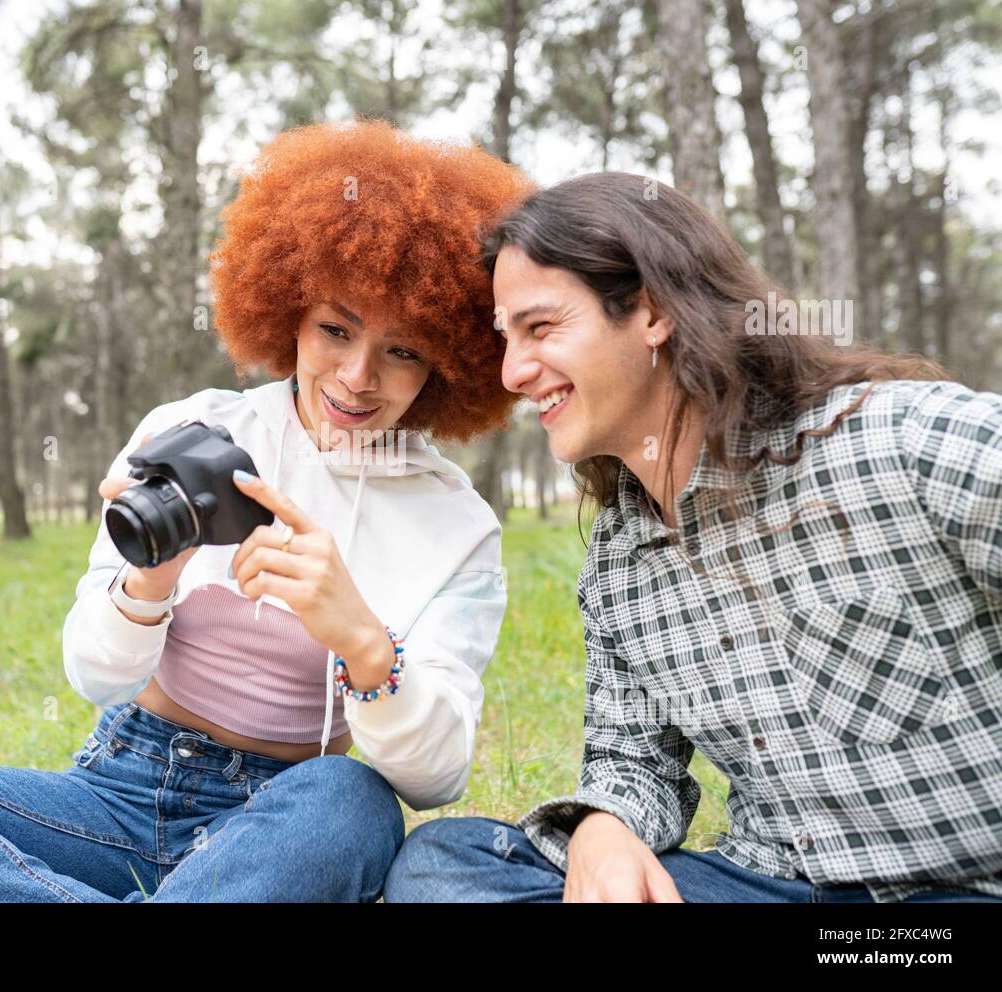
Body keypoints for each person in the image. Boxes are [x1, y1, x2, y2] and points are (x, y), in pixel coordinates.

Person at [0, 119, 531, 903]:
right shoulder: (193, 431)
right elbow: (93, 675)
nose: (355, 375)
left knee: (358, 803)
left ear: (447, 363)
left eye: (402, 350)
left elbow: (435, 777)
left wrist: (363, 643)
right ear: (289, 312)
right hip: (116, 793)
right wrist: (148, 586)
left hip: (283, 823)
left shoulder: (457, 526)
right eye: (333, 329)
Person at [384, 172, 1002, 903]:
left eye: (541, 329)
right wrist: (602, 827)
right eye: (505, 337)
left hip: (956, 894)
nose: (515, 372)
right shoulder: (619, 562)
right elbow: (634, 765)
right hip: (769, 885)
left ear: (651, 312)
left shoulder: (901, 440)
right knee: (441, 867)